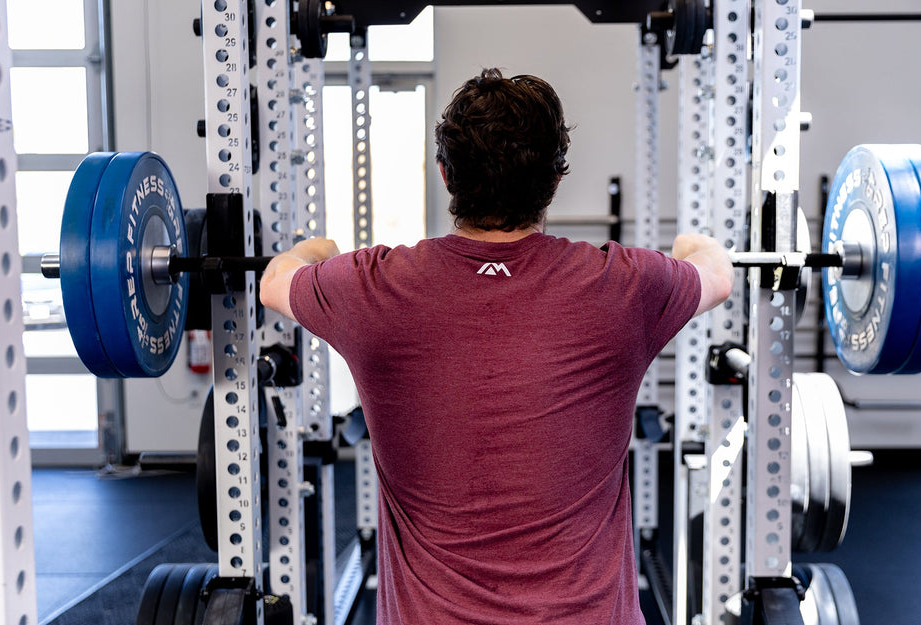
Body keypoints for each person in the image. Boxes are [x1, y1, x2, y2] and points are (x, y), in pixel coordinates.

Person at [260, 68, 733, 625]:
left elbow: (274, 282)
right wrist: (688, 245)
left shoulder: (370, 287)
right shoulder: (625, 285)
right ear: (556, 181)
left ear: (445, 176)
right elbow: (718, 274)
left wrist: (319, 248)